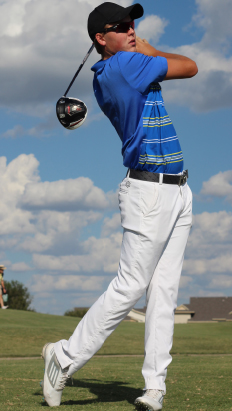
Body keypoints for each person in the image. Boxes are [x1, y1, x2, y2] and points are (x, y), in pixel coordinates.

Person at [42, 2, 198, 410]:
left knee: (163, 293)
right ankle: (64, 356)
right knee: (131, 285)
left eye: (134, 23)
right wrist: (149, 48)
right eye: (122, 26)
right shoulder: (124, 67)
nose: (132, 29)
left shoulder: (119, 66)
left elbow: (181, 66)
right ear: (100, 39)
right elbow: (191, 66)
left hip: (178, 189)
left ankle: (154, 388)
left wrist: (142, 48)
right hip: (148, 192)